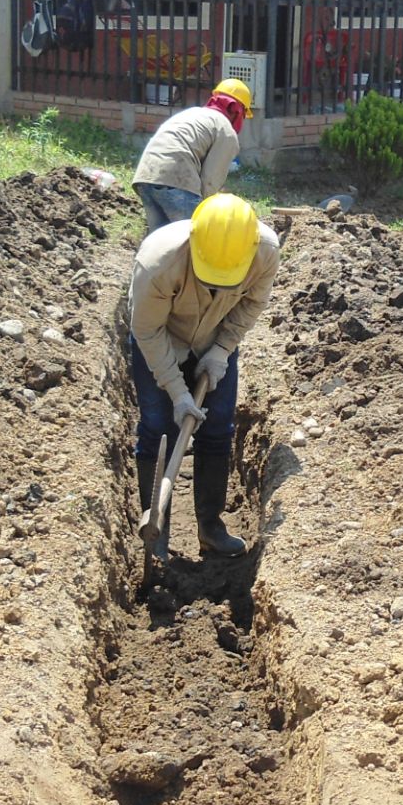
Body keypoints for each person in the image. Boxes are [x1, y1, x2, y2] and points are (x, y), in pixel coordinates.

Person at [128, 192, 279, 557]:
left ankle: (210, 527)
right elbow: (147, 331)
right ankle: (157, 530)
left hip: (215, 338)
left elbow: (251, 304)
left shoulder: (265, 251)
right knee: (156, 426)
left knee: (218, 428)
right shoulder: (158, 262)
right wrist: (179, 393)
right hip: (163, 337)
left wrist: (222, 350)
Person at [130, 78, 254, 234]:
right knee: (195, 240)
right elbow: (209, 181)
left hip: (145, 176)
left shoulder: (193, 113)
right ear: (237, 111)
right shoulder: (226, 131)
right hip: (177, 180)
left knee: (159, 243)